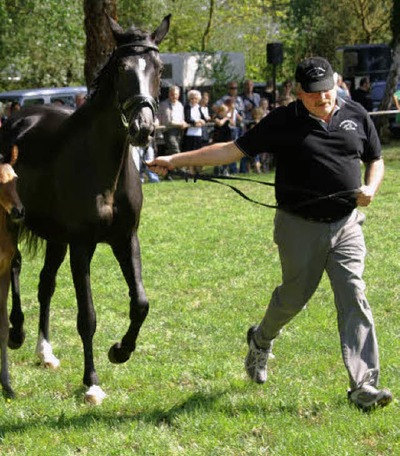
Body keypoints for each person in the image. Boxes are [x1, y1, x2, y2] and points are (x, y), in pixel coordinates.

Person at [148, 56, 392, 411]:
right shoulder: (283, 121)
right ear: (298, 92)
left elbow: (376, 158)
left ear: (335, 84)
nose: (322, 100)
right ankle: (261, 341)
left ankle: (364, 385)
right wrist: (176, 160)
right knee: (294, 297)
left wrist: (371, 187)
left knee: (354, 295)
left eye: (326, 92)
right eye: (313, 95)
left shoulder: (355, 114)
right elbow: (231, 150)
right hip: (299, 226)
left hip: (347, 224)